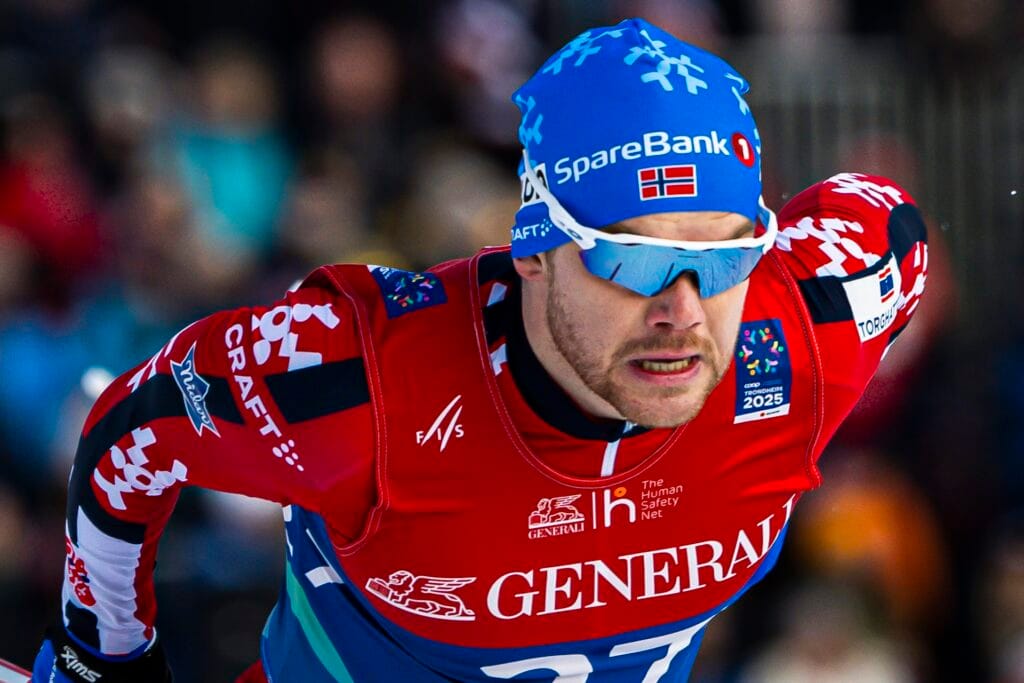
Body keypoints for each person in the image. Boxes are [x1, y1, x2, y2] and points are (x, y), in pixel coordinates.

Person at [32, 17, 929, 683]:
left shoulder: (815, 319)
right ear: (534, 250)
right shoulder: (362, 381)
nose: (683, 311)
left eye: (725, 255)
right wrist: (97, 653)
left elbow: (889, 215)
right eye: (632, 256)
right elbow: (137, 428)